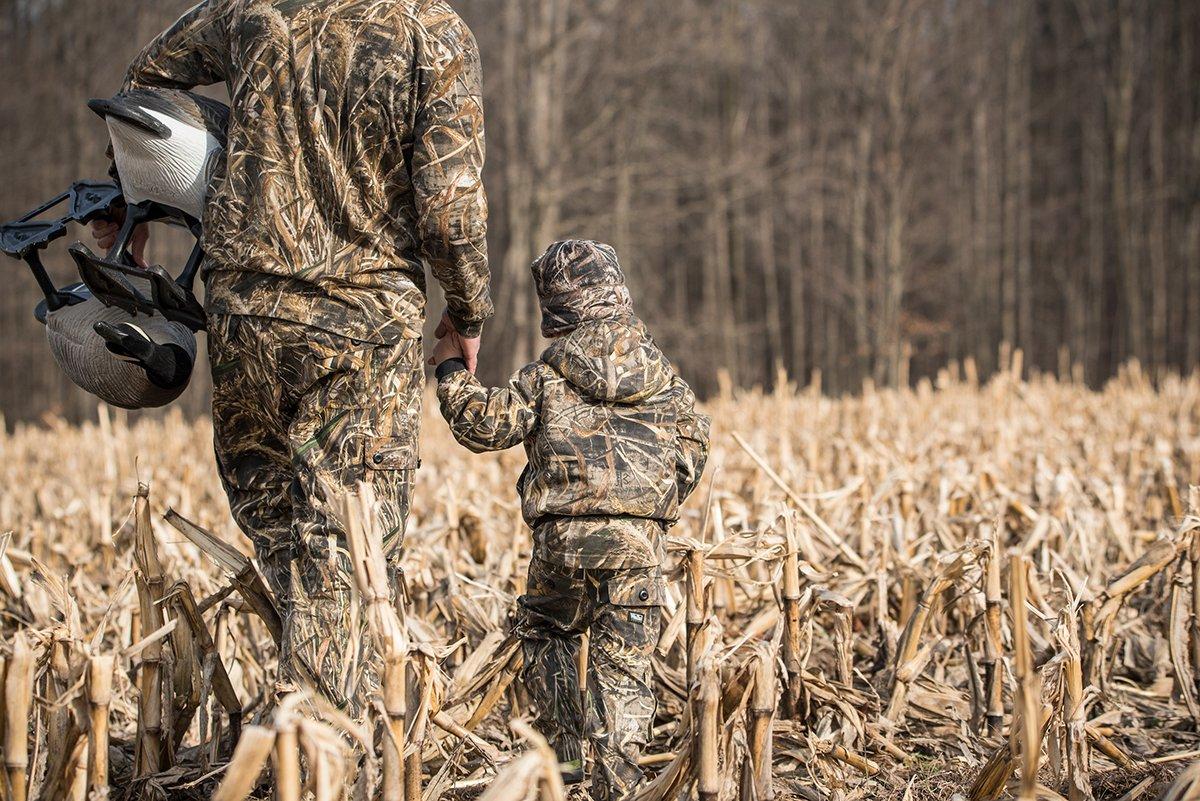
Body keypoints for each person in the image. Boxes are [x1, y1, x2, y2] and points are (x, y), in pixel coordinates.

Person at [91, 0, 492, 711]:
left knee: (286, 532)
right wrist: (466, 311)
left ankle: (305, 725)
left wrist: (129, 207)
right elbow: (449, 208)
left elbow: (142, 87)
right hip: (361, 324)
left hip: (247, 311)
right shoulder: (432, 30)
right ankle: (324, 748)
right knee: (344, 546)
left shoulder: (250, 7)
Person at [432, 240, 711, 801]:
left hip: (562, 548)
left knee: (546, 628)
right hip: (638, 551)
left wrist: (447, 366)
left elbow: (481, 426)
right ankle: (621, 784)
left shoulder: (545, 378)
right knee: (625, 673)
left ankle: (562, 756)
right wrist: (653, 504)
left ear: (555, 309)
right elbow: (696, 441)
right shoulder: (664, 379)